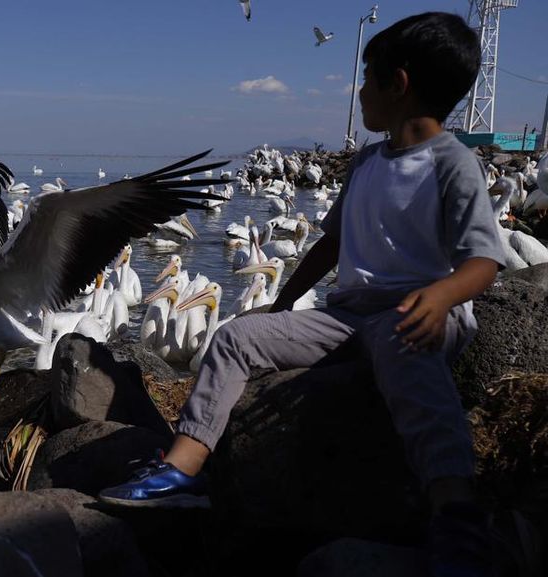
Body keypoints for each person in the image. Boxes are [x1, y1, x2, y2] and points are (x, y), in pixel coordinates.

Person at [100, 11, 503, 576]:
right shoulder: (366, 163)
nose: (359, 92)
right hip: (347, 316)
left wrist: (441, 298)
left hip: (416, 315)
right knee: (237, 337)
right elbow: (329, 244)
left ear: (399, 84)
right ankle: (183, 467)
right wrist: (284, 302)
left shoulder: (453, 165)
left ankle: (454, 509)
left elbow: (485, 261)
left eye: (367, 80)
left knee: (408, 366)